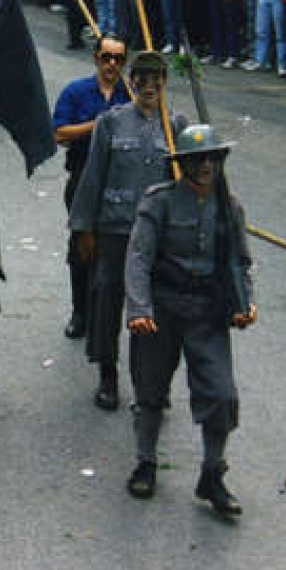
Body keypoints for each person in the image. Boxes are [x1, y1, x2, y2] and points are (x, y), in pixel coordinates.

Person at [124, 124, 256, 517]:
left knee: (222, 395)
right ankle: (146, 461)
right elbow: (139, 259)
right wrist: (140, 310)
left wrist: (245, 303)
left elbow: (238, 263)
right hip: (162, 310)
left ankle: (212, 474)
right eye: (195, 160)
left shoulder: (229, 209)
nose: (204, 167)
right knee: (150, 391)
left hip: (207, 312)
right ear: (181, 165)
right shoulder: (159, 202)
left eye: (211, 158)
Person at [67, 51, 185, 411]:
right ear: (130, 81)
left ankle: (152, 385)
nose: (149, 85)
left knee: (153, 313)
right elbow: (92, 179)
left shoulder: (176, 126)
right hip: (115, 230)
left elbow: (186, 183)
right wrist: (83, 230)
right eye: (141, 77)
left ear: (165, 81)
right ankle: (107, 375)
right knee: (106, 302)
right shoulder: (110, 123)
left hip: (157, 238)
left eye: (157, 78)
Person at [52, 35, 133, 341]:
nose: (112, 64)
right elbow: (59, 132)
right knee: (82, 246)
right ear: (96, 58)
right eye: (106, 57)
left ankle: (105, 314)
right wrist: (99, 124)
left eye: (118, 58)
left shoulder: (131, 93)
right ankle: (80, 312)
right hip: (84, 179)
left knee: (115, 248)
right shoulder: (76, 92)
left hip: (122, 181)